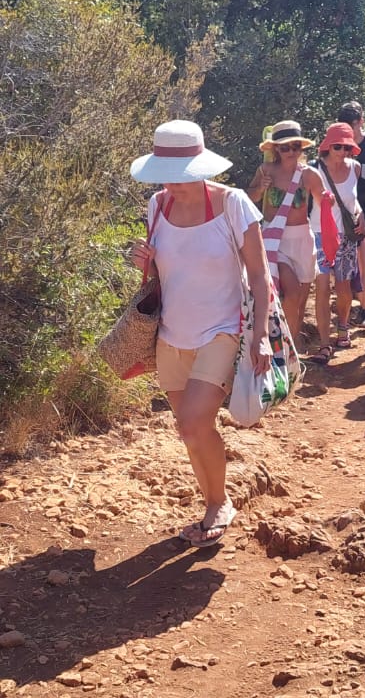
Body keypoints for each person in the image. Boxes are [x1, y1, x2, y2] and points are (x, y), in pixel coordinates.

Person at [129, 119, 271, 546]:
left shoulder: (234, 204)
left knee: (193, 422)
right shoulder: (157, 206)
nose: (172, 185)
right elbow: (162, 277)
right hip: (171, 335)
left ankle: (217, 504)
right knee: (189, 427)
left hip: (222, 330)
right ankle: (216, 500)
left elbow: (260, 277)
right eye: (165, 177)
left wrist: (260, 334)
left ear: (200, 168)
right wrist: (146, 266)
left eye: (180, 177)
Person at [247, 120, 326, 343]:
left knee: (300, 299)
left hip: (302, 239)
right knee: (291, 294)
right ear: (276, 149)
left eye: (296, 147)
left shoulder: (309, 175)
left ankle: (291, 349)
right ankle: (280, 345)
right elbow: (249, 198)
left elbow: (326, 206)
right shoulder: (265, 171)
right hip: (275, 239)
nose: (291, 152)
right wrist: (260, 188)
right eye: (285, 147)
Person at [309, 122, 365, 363]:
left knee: (344, 289)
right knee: (322, 290)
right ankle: (323, 344)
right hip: (319, 235)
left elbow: (353, 199)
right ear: (327, 146)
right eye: (338, 147)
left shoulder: (355, 168)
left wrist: (361, 214)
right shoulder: (313, 170)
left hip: (345, 237)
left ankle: (342, 326)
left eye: (347, 148)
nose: (343, 152)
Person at [337, 100, 365, 331]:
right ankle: (347, 309)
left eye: (352, 126)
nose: (349, 133)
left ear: (361, 122)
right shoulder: (338, 148)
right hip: (343, 217)